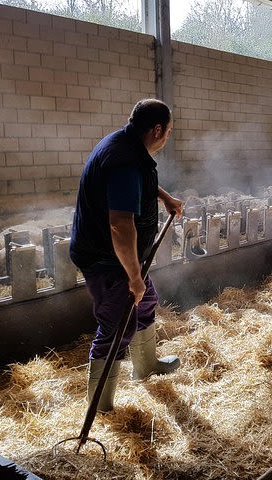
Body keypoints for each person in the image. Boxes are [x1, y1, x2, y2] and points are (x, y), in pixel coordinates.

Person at [70, 98, 183, 412]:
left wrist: (164, 197)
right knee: (118, 323)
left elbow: (137, 184)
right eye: (169, 132)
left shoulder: (128, 145)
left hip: (117, 254)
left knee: (145, 301)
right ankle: (100, 406)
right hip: (107, 258)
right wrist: (134, 277)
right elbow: (120, 225)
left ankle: (145, 366)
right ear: (157, 129)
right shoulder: (125, 159)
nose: (168, 138)